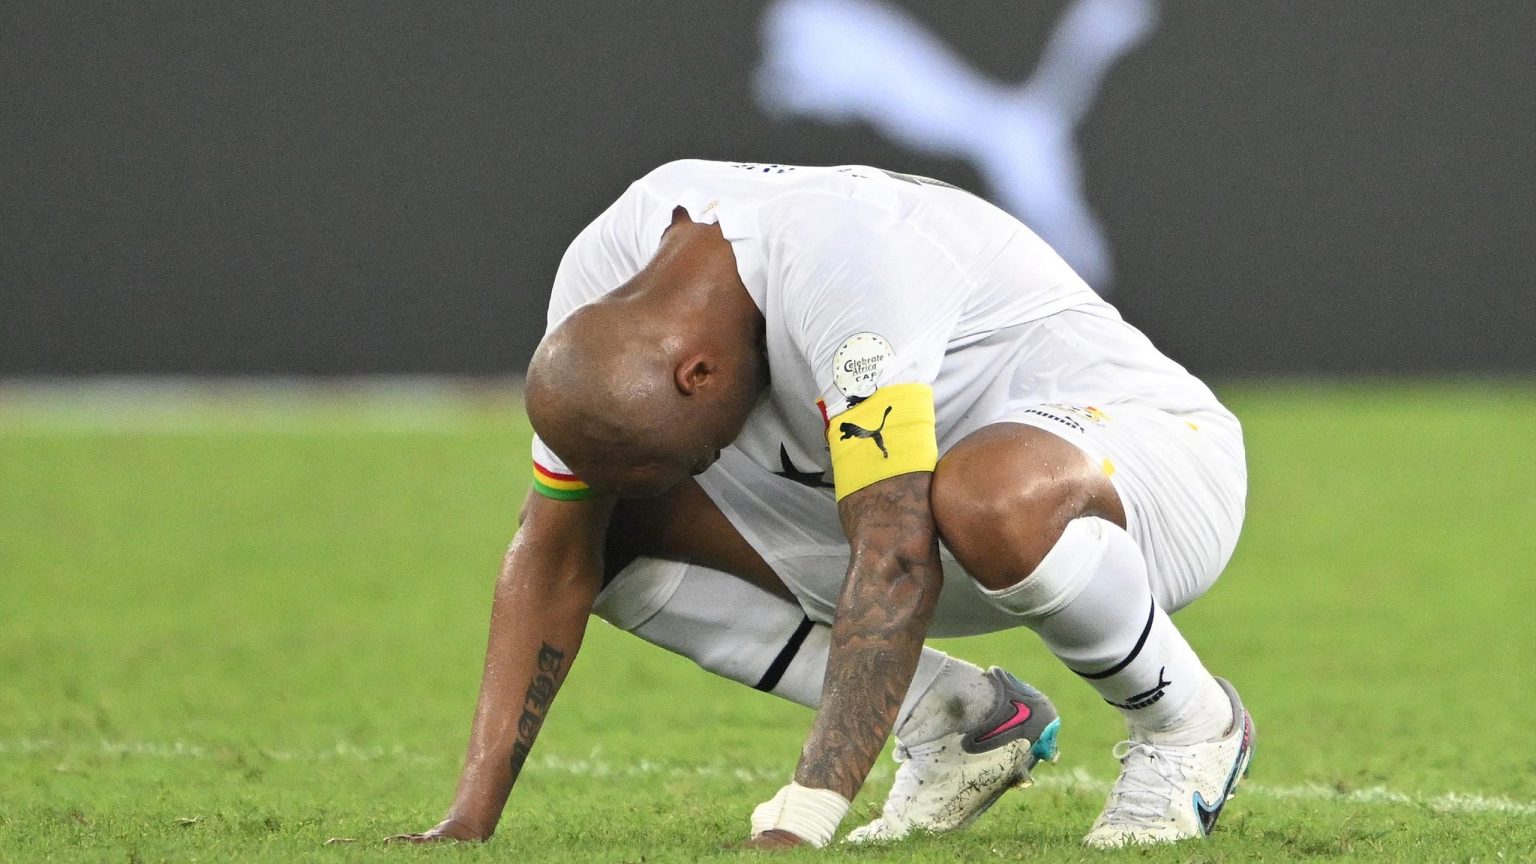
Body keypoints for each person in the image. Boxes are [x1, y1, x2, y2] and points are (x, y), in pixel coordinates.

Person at [391, 160, 1254, 849]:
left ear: (697, 374)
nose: (691, 474)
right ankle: (958, 723)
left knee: (983, 493)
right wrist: (466, 823)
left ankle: (1187, 724)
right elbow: (551, 553)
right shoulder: (603, 280)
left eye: (685, 458)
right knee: (607, 536)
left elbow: (895, 551)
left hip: (1148, 477)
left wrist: (808, 810)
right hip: (929, 514)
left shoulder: (848, 271)